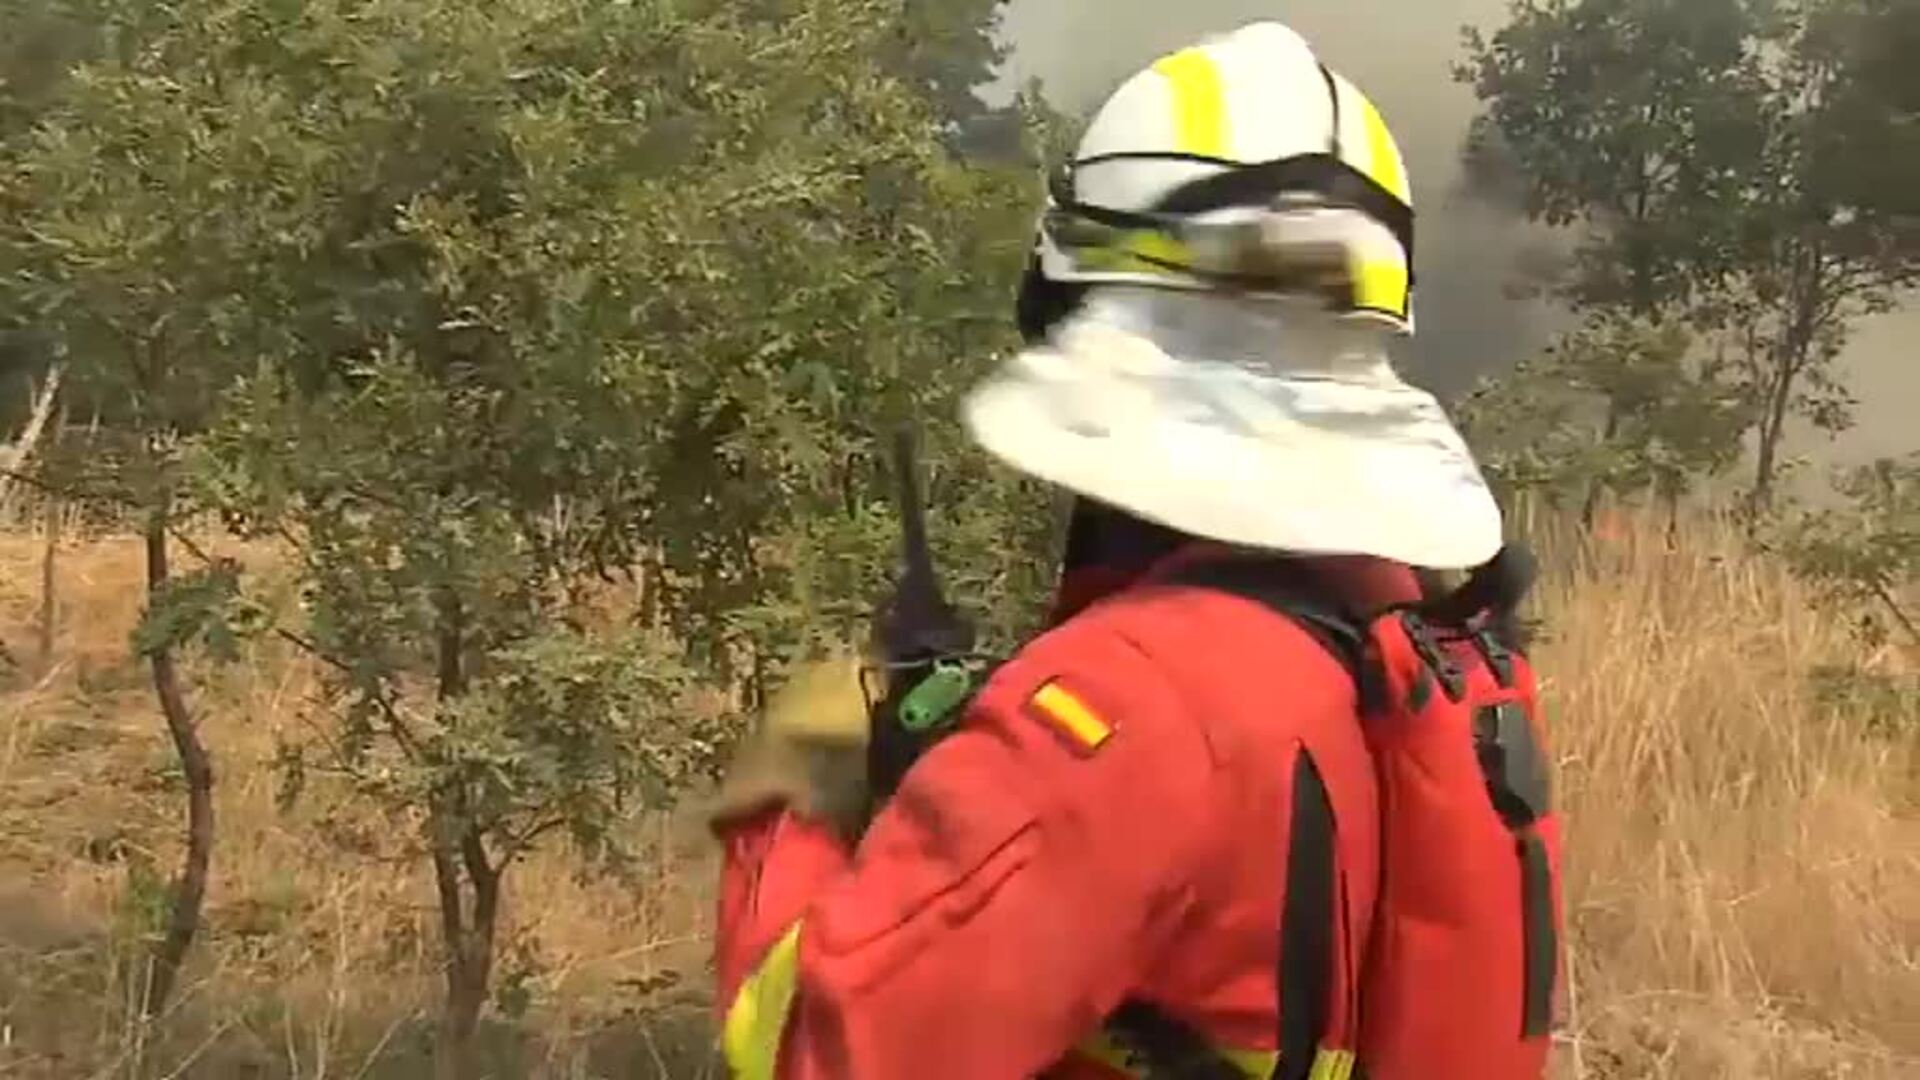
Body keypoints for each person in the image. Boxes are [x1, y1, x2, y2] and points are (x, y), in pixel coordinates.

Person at [709, 20, 1509, 1080]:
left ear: (1084, 309)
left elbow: (820, 1051)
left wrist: (791, 803)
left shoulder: (1121, 715)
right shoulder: (1392, 627)